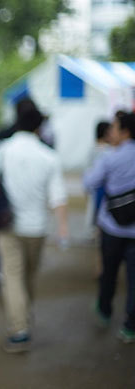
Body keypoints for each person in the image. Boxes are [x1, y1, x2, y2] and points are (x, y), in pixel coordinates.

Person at [0, 107, 69, 353]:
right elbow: (58, 197)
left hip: (7, 226)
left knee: (12, 276)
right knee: (28, 276)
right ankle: (23, 317)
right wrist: (63, 231)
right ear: (38, 127)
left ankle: (19, 330)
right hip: (37, 229)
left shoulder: (2, 150)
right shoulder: (49, 156)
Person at [83, 112, 135, 344]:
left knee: (109, 273)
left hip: (112, 226)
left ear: (125, 132)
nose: (110, 132)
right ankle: (130, 326)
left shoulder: (108, 158)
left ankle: (105, 311)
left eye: (114, 127)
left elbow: (89, 183)